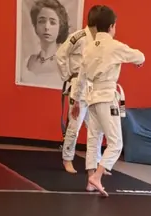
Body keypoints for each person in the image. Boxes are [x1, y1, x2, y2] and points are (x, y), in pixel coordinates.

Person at [73, 6, 144, 196]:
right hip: (106, 98)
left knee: (94, 139)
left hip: (91, 98)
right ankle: (97, 176)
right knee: (116, 143)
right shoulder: (114, 46)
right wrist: (138, 62)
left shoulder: (88, 49)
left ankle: (90, 180)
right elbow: (140, 56)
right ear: (112, 26)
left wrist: (75, 102)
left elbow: (80, 78)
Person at [56, 6, 104, 174]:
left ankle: (97, 161)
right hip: (78, 84)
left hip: (93, 87)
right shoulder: (79, 37)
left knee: (97, 128)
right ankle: (67, 158)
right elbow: (60, 54)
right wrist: (67, 76)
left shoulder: (100, 41)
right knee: (74, 124)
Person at [22, 0, 70, 88]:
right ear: (35, 26)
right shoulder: (27, 61)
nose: (47, 27)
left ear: (60, 27)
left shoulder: (67, 62)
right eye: (41, 21)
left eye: (52, 22)